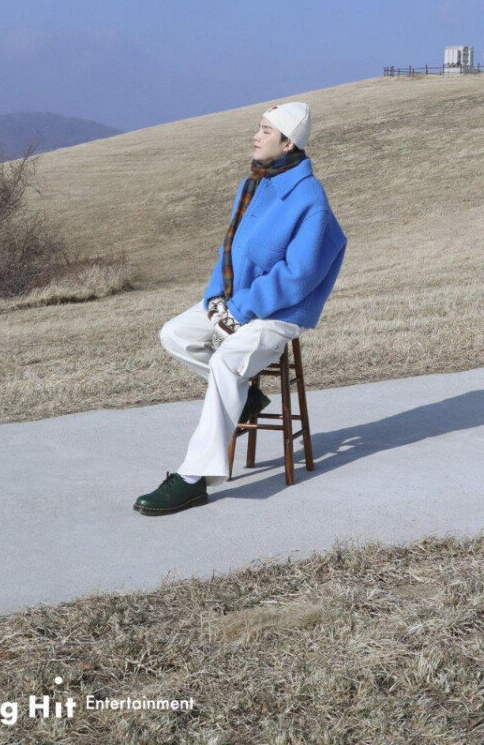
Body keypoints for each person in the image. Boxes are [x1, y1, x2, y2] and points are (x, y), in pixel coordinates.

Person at [134, 100, 347, 515]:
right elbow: (229, 249)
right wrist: (216, 299)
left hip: (279, 313)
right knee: (174, 333)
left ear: (288, 144)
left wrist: (243, 309)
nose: (256, 135)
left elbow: (299, 275)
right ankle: (246, 396)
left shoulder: (310, 200)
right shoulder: (254, 183)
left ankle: (194, 478)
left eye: (266, 130)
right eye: (259, 127)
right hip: (235, 301)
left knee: (226, 363)